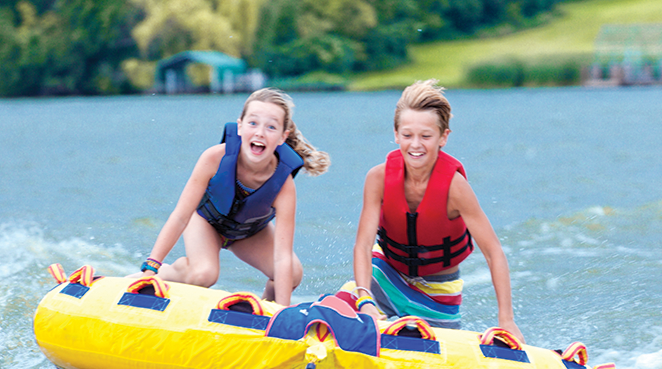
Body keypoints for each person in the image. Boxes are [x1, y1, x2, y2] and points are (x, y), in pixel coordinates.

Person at [352, 79, 523, 341]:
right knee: (344, 305)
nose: (416, 145)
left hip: (437, 291)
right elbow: (363, 245)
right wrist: (364, 297)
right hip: (386, 273)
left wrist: (506, 321)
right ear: (396, 134)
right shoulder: (378, 178)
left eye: (426, 136)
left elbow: (494, 252)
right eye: (407, 135)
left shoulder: (455, 188)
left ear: (443, 137)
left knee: (420, 343)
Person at [133, 88, 329, 306]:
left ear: (283, 137)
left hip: (248, 232)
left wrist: (282, 312)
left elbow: (282, 257)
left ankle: (267, 310)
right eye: (253, 123)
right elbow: (181, 216)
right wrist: (151, 267)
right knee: (204, 274)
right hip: (206, 222)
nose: (260, 133)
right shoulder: (214, 158)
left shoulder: (284, 185)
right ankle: (166, 275)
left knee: (292, 272)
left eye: (271, 127)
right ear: (240, 126)